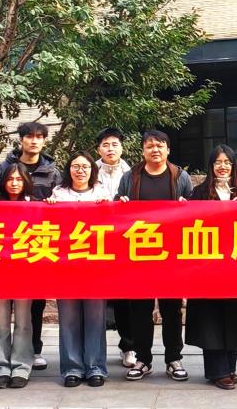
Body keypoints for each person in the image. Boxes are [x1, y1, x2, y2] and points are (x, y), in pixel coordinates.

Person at [117, 130, 193, 383]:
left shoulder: (180, 176)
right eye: (150, 146)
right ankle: (143, 360)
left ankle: (174, 358)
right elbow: (117, 210)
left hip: (172, 255)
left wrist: (187, 206)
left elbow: (197, 212)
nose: (155, 150)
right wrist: (120, 201)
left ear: (168, 150)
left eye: (160, 145)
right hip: (140, 253)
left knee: (172, 309)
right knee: (140, 310)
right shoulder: (130, 177)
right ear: (143, 150)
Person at [0, 121, 61, 373]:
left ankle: (33, 349)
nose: (34, 141)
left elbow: (61, 202)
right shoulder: (4, 167)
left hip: (37, 244)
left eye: (39, 137)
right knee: (1, 304)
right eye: (29, 136)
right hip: (5, 245)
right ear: (22, 140)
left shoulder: (52, 171)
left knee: (35, 302)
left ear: (44, 141)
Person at [185, 145, 237, 390]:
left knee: (234, 316)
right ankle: (218, 371)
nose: (223, 166)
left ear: (234, 165)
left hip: (235, 267)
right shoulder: (199, 192)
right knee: (211, 318)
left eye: (227, 162)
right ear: (211, 166)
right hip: (207, 267)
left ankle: (230, 367)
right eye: (218, 162)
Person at [48, 152, 109, 387]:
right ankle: (72, 368)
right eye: (76, 166)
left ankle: (95, 367)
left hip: (95, 267)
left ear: (92, 170)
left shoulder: (102, 193)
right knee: (69, 318)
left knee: (95, 318)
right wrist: (49, 208)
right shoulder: (58, 194)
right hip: (66, 267)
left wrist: (112, 207)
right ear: (69, 169)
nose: (80, 170)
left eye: (85, 166)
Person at [0, 162, 35, 389]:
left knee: (23, 321)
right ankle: (1, 366)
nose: (14, 183)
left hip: (25, 272)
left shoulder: (36, 206)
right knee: (0, 322)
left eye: (19, 179)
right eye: (10, 179)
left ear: (26, 182)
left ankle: (21, 367)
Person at [95, 127, 135, 368]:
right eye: (105, 144)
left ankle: (128, 347)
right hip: (94, 243)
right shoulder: (89, 171)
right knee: (94, 299)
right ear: (98, 149)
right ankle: (93, 350)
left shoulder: (133, 174)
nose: (110, 149)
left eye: (115, 144)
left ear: (122, 147)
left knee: (125, 300)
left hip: (125, 244)